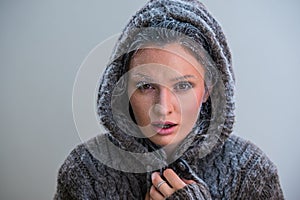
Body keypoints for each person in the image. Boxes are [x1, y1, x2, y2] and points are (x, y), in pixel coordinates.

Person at [54, 0, 285, 199]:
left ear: (207, 89)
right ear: (123, 87)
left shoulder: (252, 173)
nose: (163, 108)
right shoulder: (85, 171)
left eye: (183, 85)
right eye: (146, 86)